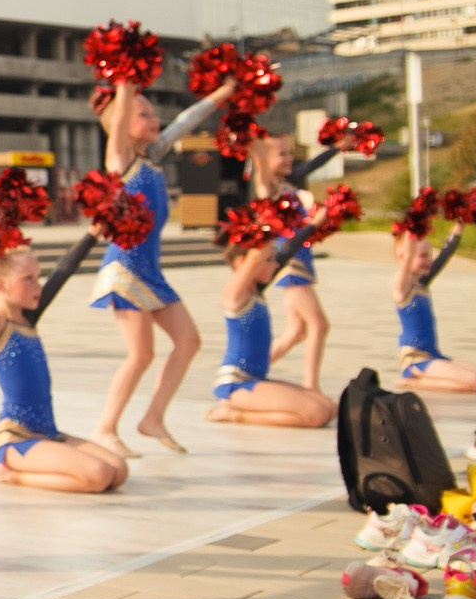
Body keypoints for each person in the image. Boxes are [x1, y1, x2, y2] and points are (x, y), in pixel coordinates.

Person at [88, 77, 238, 456]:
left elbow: (186, 120)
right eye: (143, 114)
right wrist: (124, 85)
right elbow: (120, 117)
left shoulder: (154, 159)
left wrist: (221, 94)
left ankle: (152, 418)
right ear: (120, 123)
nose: (153, 120)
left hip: (151, 272)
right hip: (124, 268)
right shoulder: (120, 160)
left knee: (189, 341)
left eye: (154, 113)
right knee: (140, 354)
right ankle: (104, 429)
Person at [0, 240, 129, 493]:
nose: (39, 286)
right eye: (28, 279)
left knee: (119, 471)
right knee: (99, 476)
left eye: (38, 277)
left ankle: (34, 464)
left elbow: (63, 271)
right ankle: (10, 476)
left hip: (48, 432)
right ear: (2, 285)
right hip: (17, 439)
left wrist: (91, 235)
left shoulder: (28, 320)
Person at [206, 214, 337, 427]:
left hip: (255, 382)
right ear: (243, 262)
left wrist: (314, 224)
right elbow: (256, 257)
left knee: (329, 407)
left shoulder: (256, 291)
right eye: (269, 259)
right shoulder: (235, 295)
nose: (275, 263)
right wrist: (267, 224)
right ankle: (237, 415)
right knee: (317, 414)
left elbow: (288, 251)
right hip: (236, 385)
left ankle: (242, 410)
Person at [246, 135, 342, 394]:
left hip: (301, 262)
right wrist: (253, 143)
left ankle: (249, 372)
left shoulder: (288, 186)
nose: (289, 159)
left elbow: (310, 167)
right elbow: (260, 167)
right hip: (290, 265)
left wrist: (338, 148)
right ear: (266, 161)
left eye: (290, 154)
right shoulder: (269, 188)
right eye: (282, 154)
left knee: (297, 331)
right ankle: (311, 387)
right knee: (319, 325)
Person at [392, 221, 476, 393]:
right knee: (475, 383)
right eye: (423, 255)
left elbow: (445, 254)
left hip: (433, 355)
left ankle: (424, 377)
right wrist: (413, 224)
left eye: (430, 255)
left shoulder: (421, 284)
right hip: (416, 359)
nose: (429, 260)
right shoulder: (402, 289)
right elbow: (408, 256)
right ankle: (411, 381)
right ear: (402, 256)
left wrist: (459, 226)